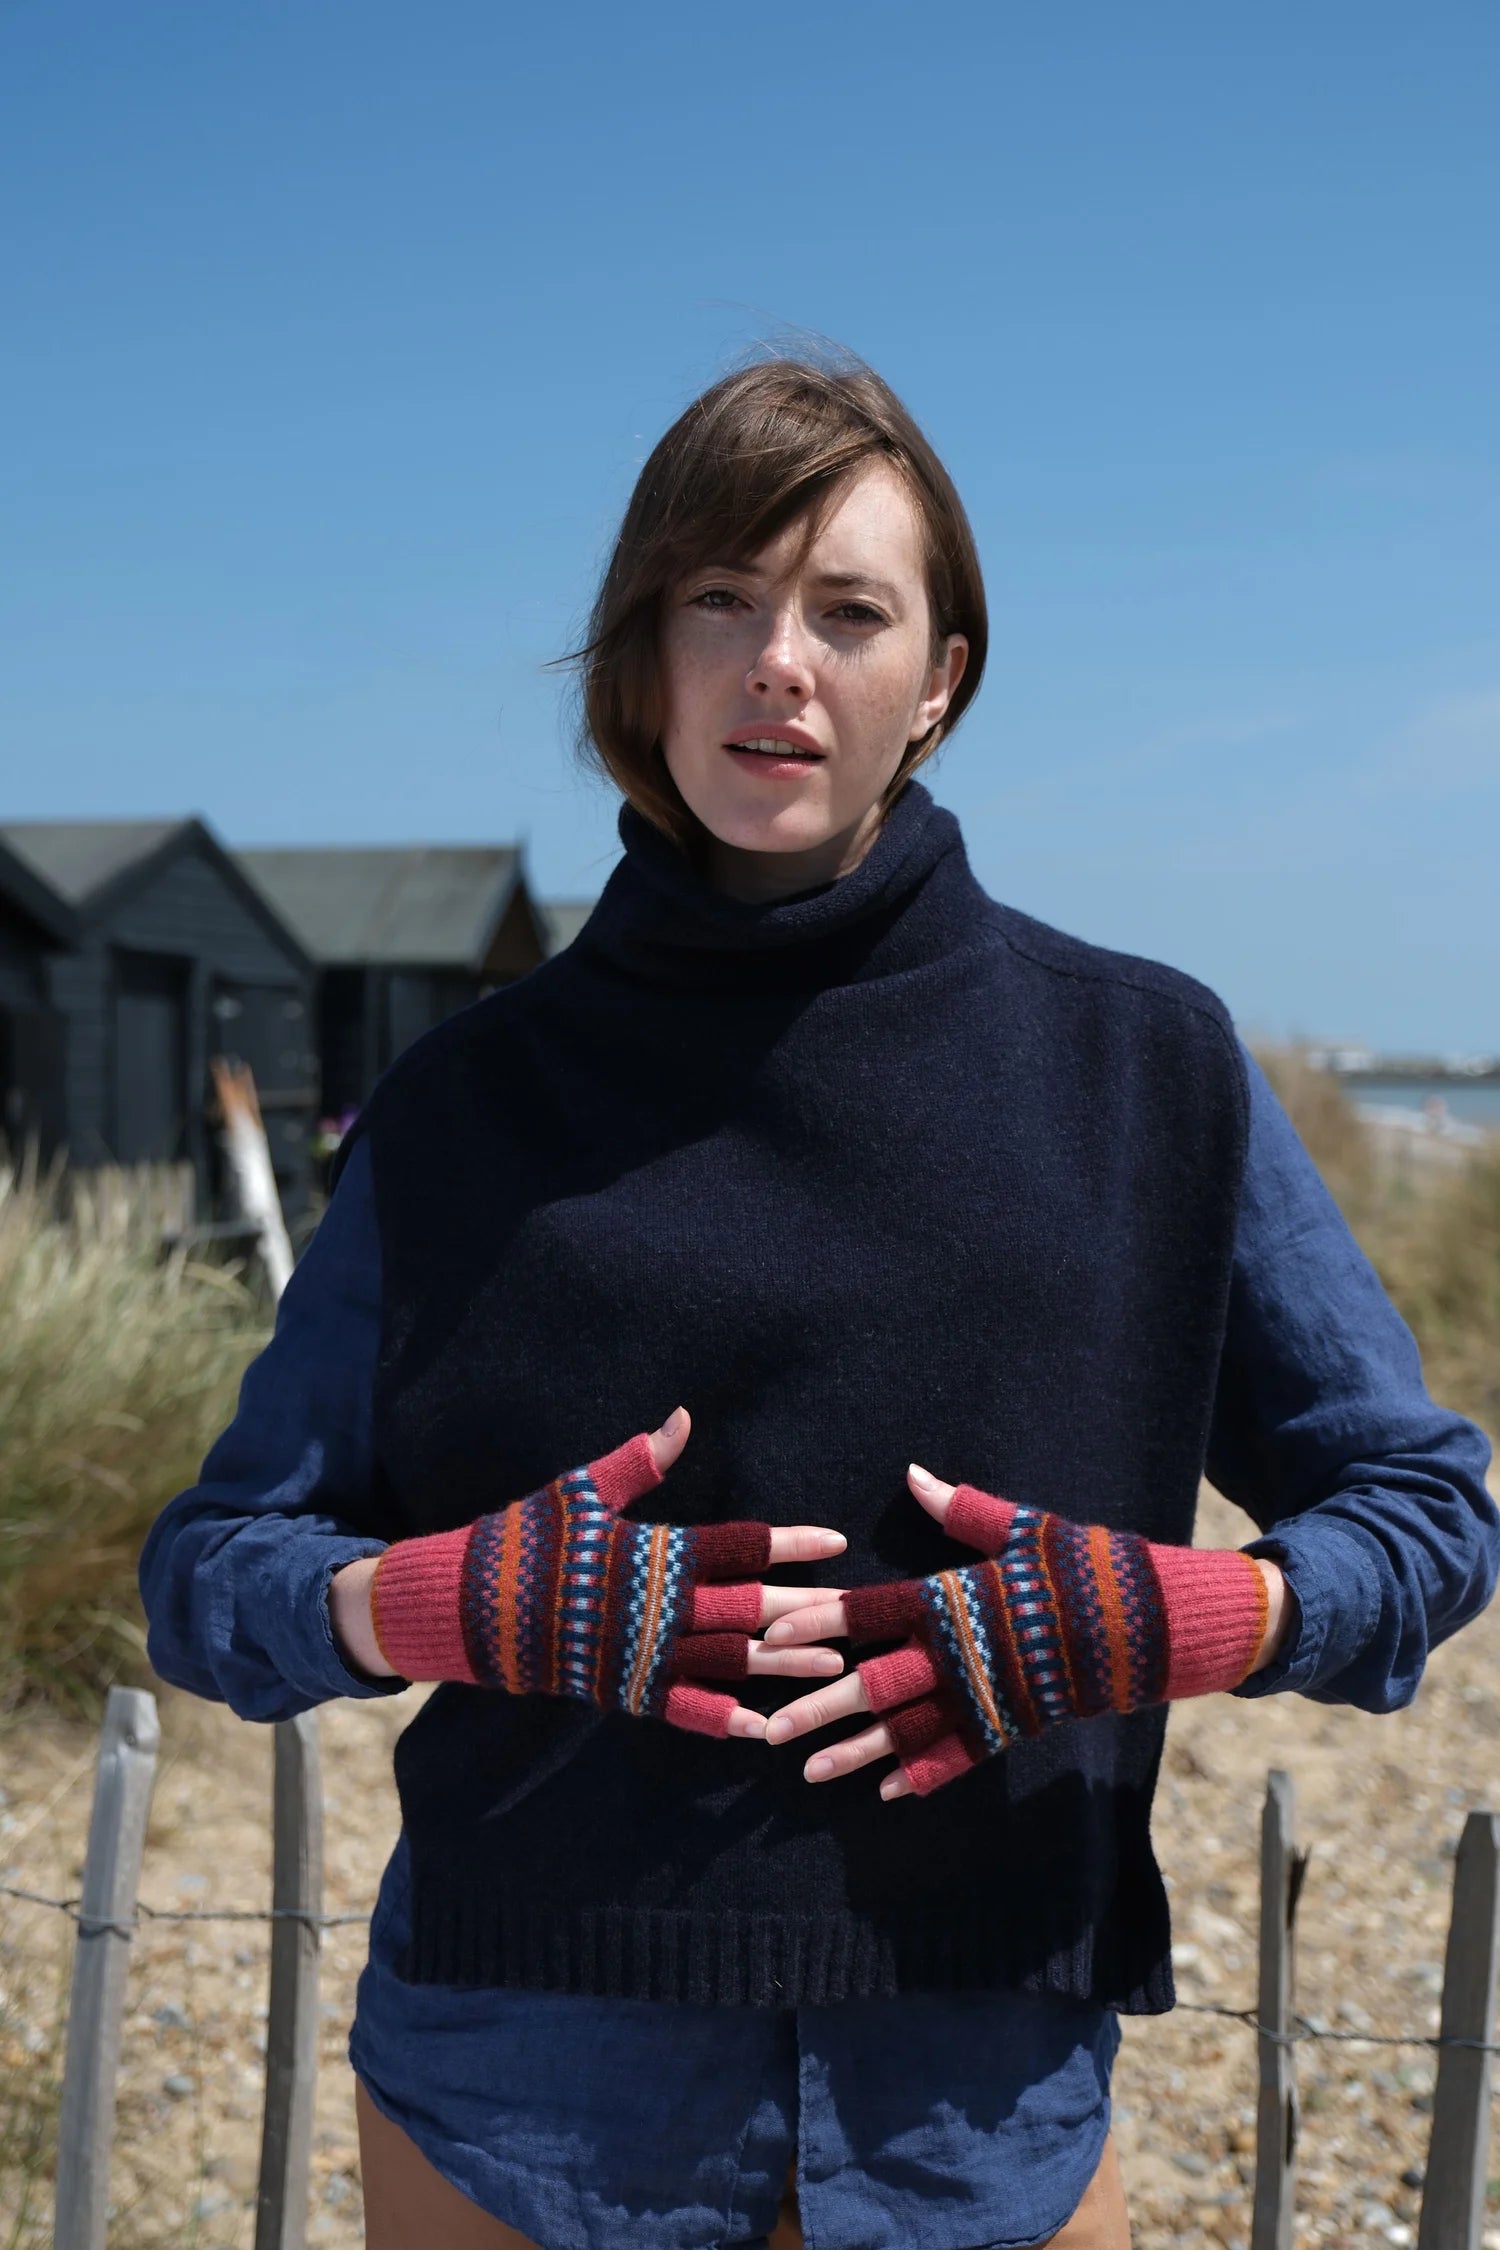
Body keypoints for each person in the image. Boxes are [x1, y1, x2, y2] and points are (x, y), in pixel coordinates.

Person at [138, 356, 1499, 2250]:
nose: (782, 659)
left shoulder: (1148, 1070)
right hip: (516, 2100)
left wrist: (1192, 1611)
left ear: (939, 677)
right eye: (723, 598)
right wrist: (430, 1597)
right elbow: (211, 1578)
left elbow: (1431, 1516)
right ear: (646, 659)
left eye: (850, 610)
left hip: (981, 2114)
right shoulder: (463, 1107)